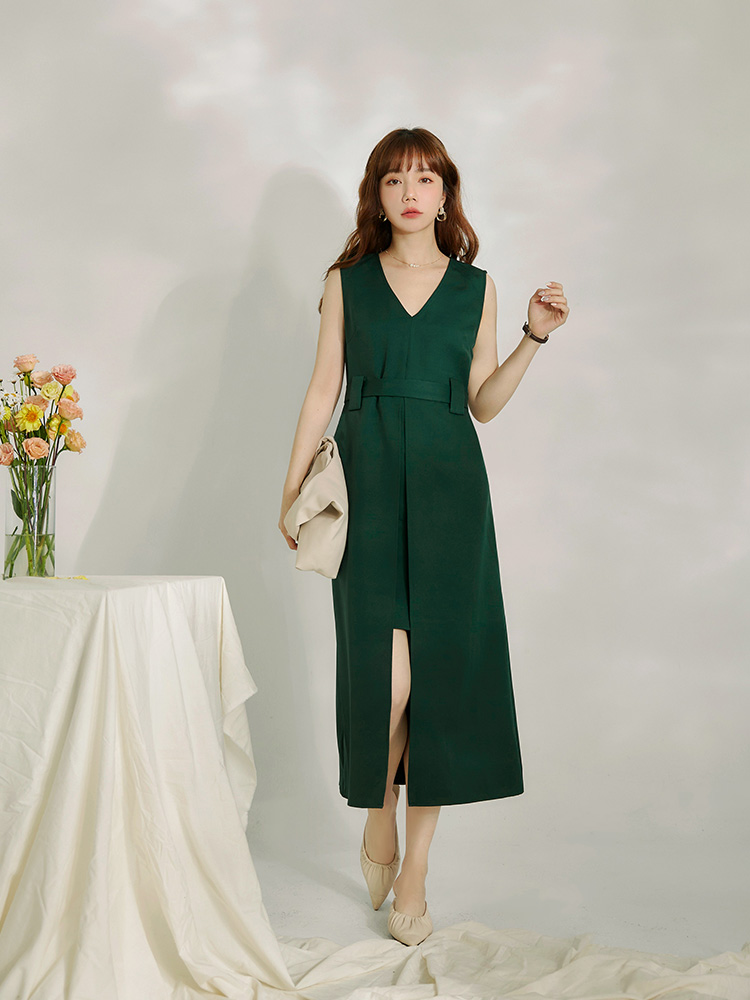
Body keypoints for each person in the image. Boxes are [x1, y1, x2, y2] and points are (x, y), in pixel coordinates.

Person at [279, 126, 569, 946]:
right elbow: (322, 389)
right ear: (377, 194)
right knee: (388, 684)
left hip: (450, 492)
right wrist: (291, 488)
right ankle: (378, 816)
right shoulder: (347, 282)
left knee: (437, 684)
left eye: (426, 178)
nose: (410, 191)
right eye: (394, 178)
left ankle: (415, 873)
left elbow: (483, 402)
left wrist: (534, 338)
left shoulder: (477, 288)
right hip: (367, 482)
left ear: (445, 194)